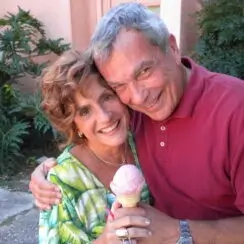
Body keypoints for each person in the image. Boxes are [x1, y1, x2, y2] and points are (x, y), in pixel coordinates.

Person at [30, 3, 244, 243]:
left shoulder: (236, 110)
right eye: (119, 86)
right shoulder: (135, 117)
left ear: (172, 48)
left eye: (144, 72)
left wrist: (179, 231)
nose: (139, 97)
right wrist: (48, 172)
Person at [37, 49, 152, 244]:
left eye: (107, 97)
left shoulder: (145, 142)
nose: (105, 117)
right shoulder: (63, 182)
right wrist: (105, 241)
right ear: (73, 124)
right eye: (85, 111)